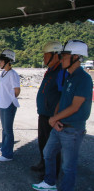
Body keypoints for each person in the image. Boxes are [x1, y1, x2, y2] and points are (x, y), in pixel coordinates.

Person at [32, 40, 93, 191]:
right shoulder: (69, 76)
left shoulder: (84, 78)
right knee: (48, 152)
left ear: (76, 57)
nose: (62, 58)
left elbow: (75, 106)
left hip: (72, 129)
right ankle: (49, 182)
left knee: (68, 166)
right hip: (59, 124)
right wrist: (55, 118)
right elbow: (62, 100)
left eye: (65, 56)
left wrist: (54, 118)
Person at [31, 41, 67, 179]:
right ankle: (43, 163)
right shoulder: (51, 71)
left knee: (52, 147)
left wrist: (57, 116)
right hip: (44, 114)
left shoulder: (61, 72)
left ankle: (51, 172)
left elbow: (63, 96)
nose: (44, 58)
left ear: (55, 55)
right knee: (42, 142)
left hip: (52, 116)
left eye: (46, 55)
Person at [0, 49, 20, 161]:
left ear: (8, 61)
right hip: (2, 104)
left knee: (8, 130)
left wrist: (10, 98)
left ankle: (8, 154)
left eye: (1, 60)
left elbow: (17, 90)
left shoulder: (13, 74)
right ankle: (3, 148)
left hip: (9, 105)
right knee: (4, 129)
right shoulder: (3, 72)